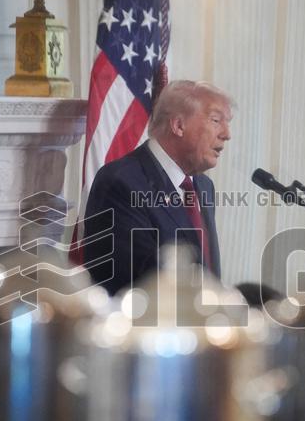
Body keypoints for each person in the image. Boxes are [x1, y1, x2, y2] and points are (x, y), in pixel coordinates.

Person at [81, 80, 233, 295]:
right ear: (178, 125)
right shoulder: (121, 182)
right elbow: (134, 282)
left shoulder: (203, 186)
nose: (227, 134)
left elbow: (204, 270)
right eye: (216, 120)